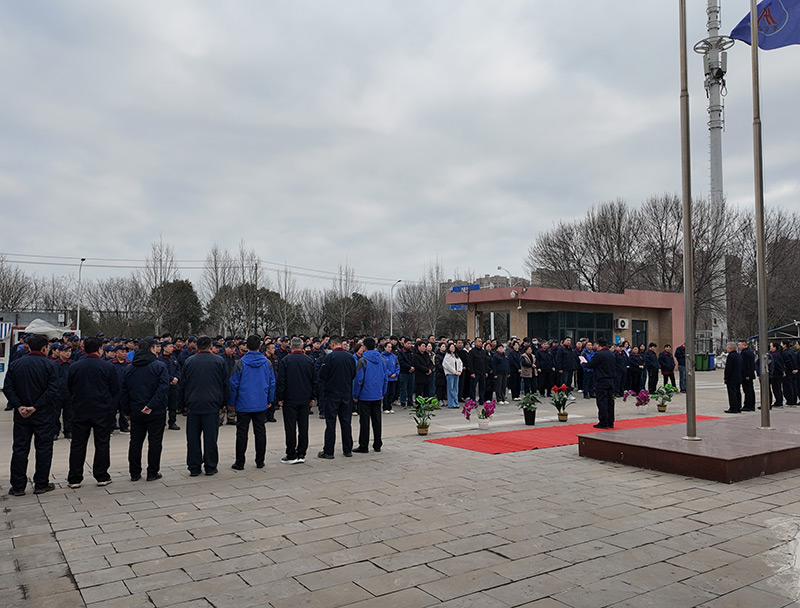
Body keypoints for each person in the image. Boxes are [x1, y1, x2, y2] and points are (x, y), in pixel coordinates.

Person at [3, 334, 58, 496]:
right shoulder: (49, 365)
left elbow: (8, 388)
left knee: (20, 449)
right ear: (44, 348)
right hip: (43, 414)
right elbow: (52, 390)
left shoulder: (16, 364)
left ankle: (18, 486)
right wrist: (35, 406)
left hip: (22, 415)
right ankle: (41, 484)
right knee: (44, 449)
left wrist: (19, 406)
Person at [66, 336, 119, 488]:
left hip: (80, 410)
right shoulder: (107, 367)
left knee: (77, 444)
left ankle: (74, 478)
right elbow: (115, 390)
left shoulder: (75, 366)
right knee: (102, 443)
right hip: (101, 410)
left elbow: (69, 387)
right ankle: (101, 475)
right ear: (99, 350)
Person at [120, 338, 170, 482]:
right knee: (155, 442)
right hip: (156, 411)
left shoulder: (129, 368)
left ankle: (134, 473)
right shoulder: (159, 366)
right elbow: (163, 388)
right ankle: (152, 472)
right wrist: (151, 405)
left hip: (136, 410)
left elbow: (124, 392)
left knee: (135, 442)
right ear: (151, 349)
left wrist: (127, 411)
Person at [180, 336, 229, 476]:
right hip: (212, 404)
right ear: (211, 346)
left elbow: (183, 384)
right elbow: (225, 384)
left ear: (197, 347)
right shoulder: (219, 361)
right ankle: (210, 466)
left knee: (193, 438)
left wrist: (183, 404)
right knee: (211, 438)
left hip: (193, 404)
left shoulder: (189, 361)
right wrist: (223, 402)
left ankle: (194, 467)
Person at [317, 336, 356, 459]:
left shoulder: (329, 357)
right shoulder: (350, 357)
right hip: (346, 393)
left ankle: (329, 451)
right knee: (346, 422)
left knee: (330, 423)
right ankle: (347, 449)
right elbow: (353, 374)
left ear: (333, 344)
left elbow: (322, 375)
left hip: (332, 393)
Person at [276, 337, 313, 465]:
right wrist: (312, 397)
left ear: (291, 347)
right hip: (304, 398)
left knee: (290, 427)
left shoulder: (286, 360)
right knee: (303, 427)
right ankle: (302, 453)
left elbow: (281, 380)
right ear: (302, 347)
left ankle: (291, 453)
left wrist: (280, 397)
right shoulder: (309, 360)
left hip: (290, 398)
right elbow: (314, 380)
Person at [352, 337, 388, 454]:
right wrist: (383, 392)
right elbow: (385, 377)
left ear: (365, 347)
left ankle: (364, 445)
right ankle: (377, 444)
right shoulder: (381, 359)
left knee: (364, 421)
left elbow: (358, 380)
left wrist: (355, 394)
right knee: (377, 420)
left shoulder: (362, 360)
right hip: (377, 394)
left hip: (364, 395)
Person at [585, 337, 616, 429]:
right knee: (610, 402)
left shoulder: (599, 354)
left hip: (601, 380)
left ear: (598, 345)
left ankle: (603, 422)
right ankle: (610, 421)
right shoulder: (611, 354)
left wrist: (583, 364)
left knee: (602, 401)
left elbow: (591, 364)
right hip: (611, 380)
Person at [159, 340, 182, 431]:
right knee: (163, 405)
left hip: (174, 385)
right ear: (164, 348)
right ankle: (161, 422)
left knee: (173, 405)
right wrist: (170, 379)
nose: (172, 348)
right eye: (170, 346)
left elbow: (178, 370)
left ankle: (172, 422)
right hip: (164, 385)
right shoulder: (159, 360)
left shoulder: (174, 359)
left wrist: (176, 378)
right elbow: (162, 373)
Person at [468, 337, 490, 401]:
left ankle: (481, 399)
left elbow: (485, 362)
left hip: (482, 372)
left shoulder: (484, 352)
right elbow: (470, 363)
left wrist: (486, 371)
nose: (480, 343)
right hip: (475, 372)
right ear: (475, 343)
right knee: (473, 387)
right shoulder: (472, 352)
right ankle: (472, 400)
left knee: (482, 387)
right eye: (478, 341)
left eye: (481, 341)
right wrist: (472, 372)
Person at [723, 342, 742, 413]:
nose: (726, 349)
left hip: (731, 378)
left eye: (727, 348)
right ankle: (738, 407)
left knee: (732, 393)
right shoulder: (738, 355)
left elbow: (728, 368)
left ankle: (733, 408)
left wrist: (726, 377)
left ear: (730, 349)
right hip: (738, 376)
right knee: (738, 392)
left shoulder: (730, 356)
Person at [443, 342, 463, 408]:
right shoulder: (447, 356)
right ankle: (451, 403)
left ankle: (456, 402)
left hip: (457, 374)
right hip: (450, 374)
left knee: (455, 389)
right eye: (451, 347)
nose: (453, 348)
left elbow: (460, 363)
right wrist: (454, 372)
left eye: (454, 347)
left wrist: (459, 371)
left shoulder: (456, 356)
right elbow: (447, 365)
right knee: (450, 389)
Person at [381, 342, 399, 413]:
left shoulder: (394, 356)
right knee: (386, 393)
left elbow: (397, 366)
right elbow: (383, 367)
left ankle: (389, 406)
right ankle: (385, 407)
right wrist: (390, 374)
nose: (390, 348)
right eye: (388, 347)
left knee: (392, 393)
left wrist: (396, 373)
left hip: (394, 378)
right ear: (385, 347)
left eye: (391, 347)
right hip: (387, 378)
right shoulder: (382, 356)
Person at [739, 340, 756, 411]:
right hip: (750, 374)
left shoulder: (745, 353)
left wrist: (746, 375)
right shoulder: (750, 352)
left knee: (747, 390)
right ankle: (751, 405)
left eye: (740, 345)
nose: (739, 347)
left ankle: (748, 405)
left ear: (744, 345)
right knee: (750, 389)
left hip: (746, 374)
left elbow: (746, 365)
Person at [768, 342, 785, 408]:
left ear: (774, 347)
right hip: (776, 373)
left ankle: (779, 402)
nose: (770, 347)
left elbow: (778, 364)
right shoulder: (775, 354)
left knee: (776, 388)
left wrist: (782, 371)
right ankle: (778, 401)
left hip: (776, 374)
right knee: (776, 388)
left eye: (771, 346)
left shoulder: (775, 355)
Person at [781, 340, 797, 406]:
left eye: (782, 344)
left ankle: (790, 400)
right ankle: (794, 400)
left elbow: (788, 363)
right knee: (793, 386)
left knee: (788, 387)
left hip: (788, 371)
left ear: (784, 345)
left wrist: (787, 370)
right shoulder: (791, 352)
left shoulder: (785, 353)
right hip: (792, 372)